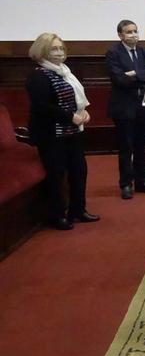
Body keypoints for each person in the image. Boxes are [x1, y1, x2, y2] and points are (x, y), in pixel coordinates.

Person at [26, 33, 99, 230]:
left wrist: (83, 114)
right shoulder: (38, 75)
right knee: (56, 176)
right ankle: (57, 215)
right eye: (53, 49)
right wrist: (70, 117)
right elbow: (42, 106)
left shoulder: (65, 72)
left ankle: (78, 210)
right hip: (51, 135)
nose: (59, 53)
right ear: (42, 52)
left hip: (73, 132)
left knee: (79, 172)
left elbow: (76, 101)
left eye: (61, 49)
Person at [106, 20, 145, 199]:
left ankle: (141, 181)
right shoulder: (113, 53)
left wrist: (134, 74)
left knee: (142, 145)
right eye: (129, 32)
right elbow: (120, 80)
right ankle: (126, 184)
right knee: (126, 147)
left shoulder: (144, 51)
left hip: (143, 106)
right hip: (124, 108)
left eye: (135, 31)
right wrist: (144, 73)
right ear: (121, 35)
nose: (134, 34)